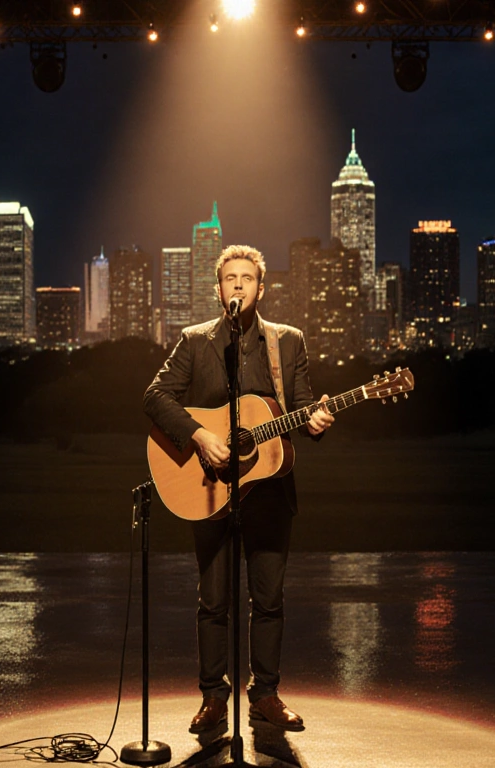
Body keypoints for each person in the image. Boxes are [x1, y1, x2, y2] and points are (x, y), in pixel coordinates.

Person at [143, 244, 334, 734]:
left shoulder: (287, 342)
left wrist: (317, 420)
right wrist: (201, 436)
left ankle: (265, 695)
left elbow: (305, 406)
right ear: (218, 288)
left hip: (269, 490)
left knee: (269, 599)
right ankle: (213, 698)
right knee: (213, 601)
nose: (238, 285)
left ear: (261, 287)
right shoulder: (195, 340)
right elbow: (155, 396)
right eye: (230, 278)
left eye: (247, 278)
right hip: (206, 488)